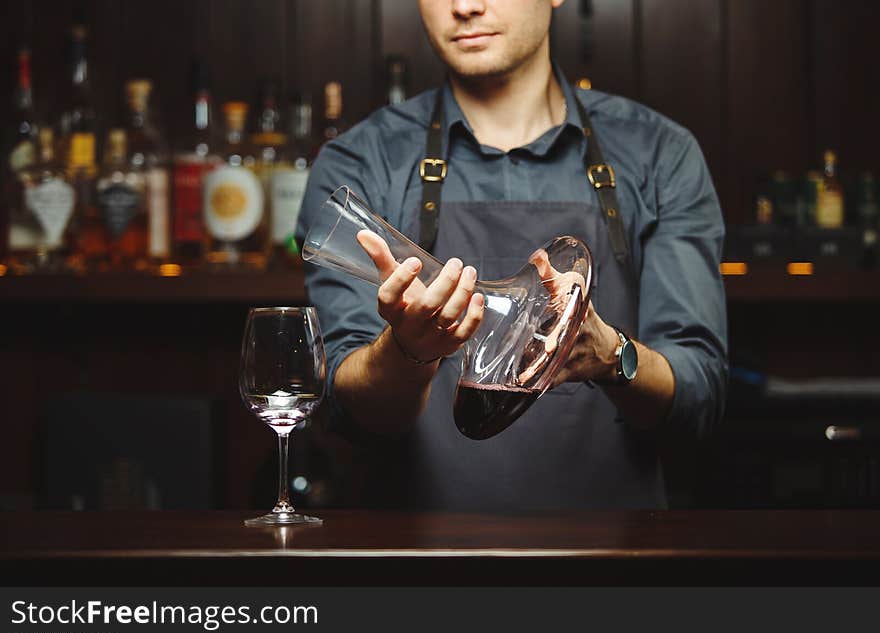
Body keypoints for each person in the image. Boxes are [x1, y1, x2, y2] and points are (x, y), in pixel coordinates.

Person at [297, 0, 728, 510]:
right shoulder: (362, 160)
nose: (464, 6)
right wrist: (408, 353)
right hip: (418, 562)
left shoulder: (660, 154)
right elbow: (349, 414)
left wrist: (610, 355)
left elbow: (698, 397)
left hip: (613, 561)